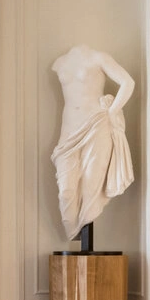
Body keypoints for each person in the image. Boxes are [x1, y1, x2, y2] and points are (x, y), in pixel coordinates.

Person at [50, 45, 135, 243]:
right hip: (69, 132)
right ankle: (74, 232)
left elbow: (127, 82)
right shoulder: (60, 63)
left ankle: (86, 226)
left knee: (91, 184)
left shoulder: (99, 57)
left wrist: (113, 110)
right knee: (66, 191)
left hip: (97, 125)